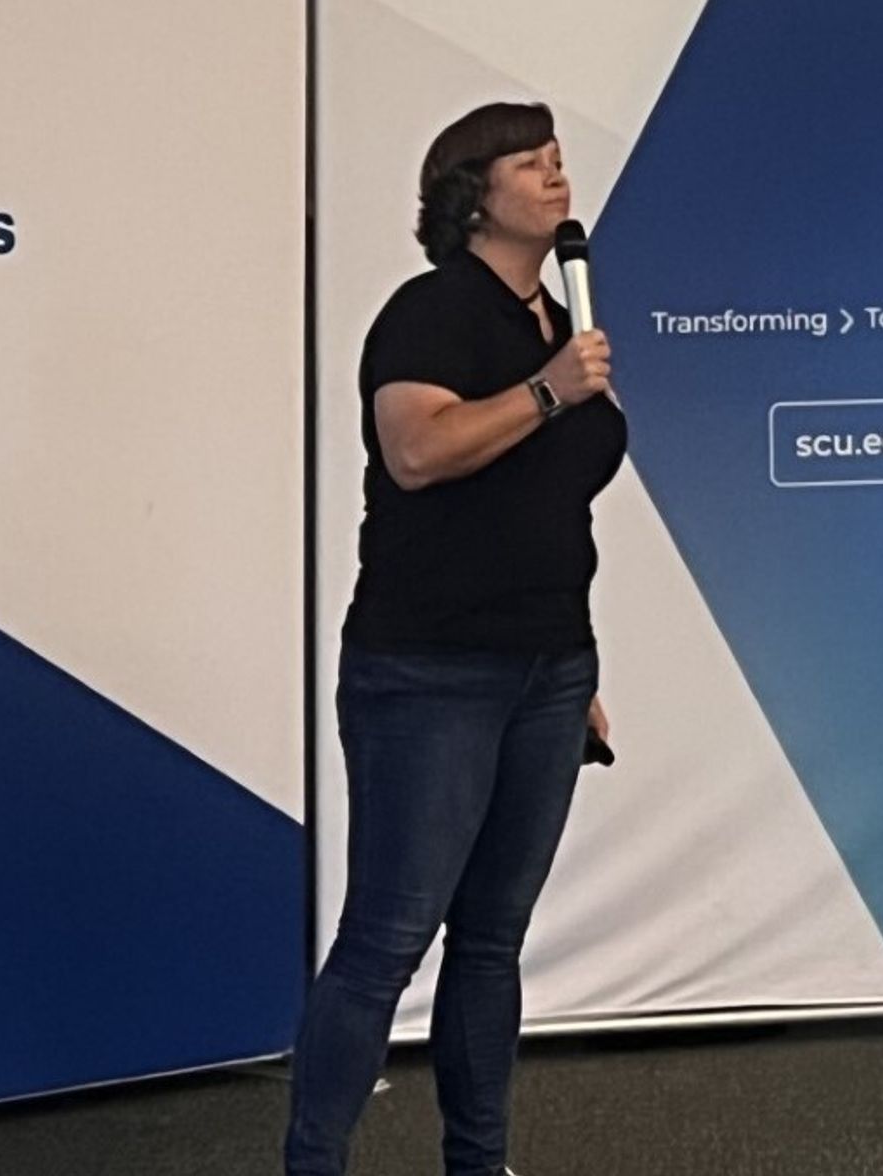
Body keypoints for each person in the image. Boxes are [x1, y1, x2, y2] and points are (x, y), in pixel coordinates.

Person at [287, 102, 626, 1176]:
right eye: (531, 163)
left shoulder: (559, 320)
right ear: (472, 196)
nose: (556, 176)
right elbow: (418, 452)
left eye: (559, 159)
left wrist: (575, 665)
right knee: (387, 939)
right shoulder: (430, 312)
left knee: (491, 943)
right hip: (428, 670)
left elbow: (552, 509)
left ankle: (478, 1165)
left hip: (547, 667)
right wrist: (549, 391)